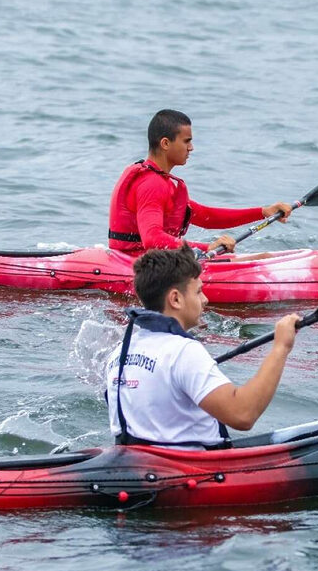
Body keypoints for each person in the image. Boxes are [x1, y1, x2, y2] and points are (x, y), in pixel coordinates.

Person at [105, 247, 300, 449]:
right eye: (198, 291)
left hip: (142, 466)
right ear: (175, 299)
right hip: (193, 472)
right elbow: (243, 415)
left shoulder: (120, 350)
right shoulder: (183, 351)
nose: (205, 300)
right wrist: (281, 347)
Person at [108, 109, 293, 256]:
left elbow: (206, 216)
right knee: (263, 258)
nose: (191, 148)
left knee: (262, 257)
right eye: (186, 141)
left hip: (146, 260)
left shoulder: (158, 180)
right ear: (165, 143)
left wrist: (262, 212)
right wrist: (207, 247)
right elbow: (152, 238)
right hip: (139, 266)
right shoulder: (152, 184)